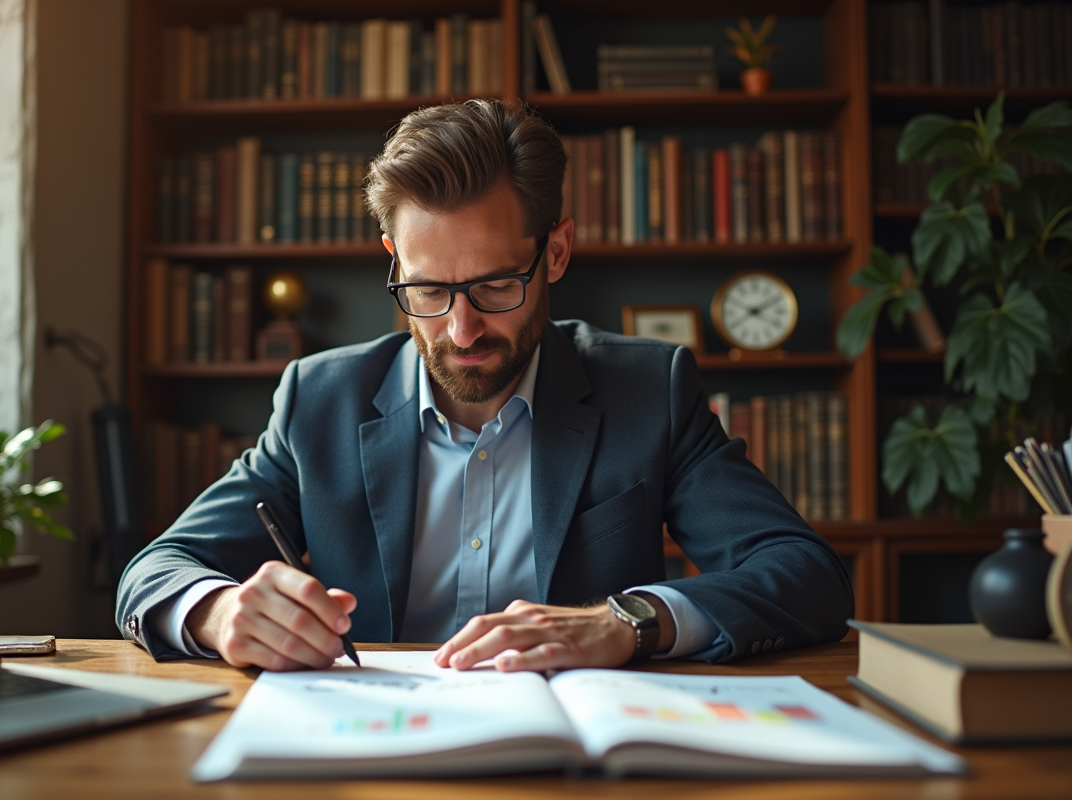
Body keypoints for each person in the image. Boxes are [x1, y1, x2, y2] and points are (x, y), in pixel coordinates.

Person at [116, 100, 853, 673]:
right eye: (428, 289)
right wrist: (218, 612)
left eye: (497, 284)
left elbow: (805, 575)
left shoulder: (646, 391)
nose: (462, 330)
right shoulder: (320, 400)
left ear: (556, 251)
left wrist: (623, 622)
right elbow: (153, 572)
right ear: (393, 261)